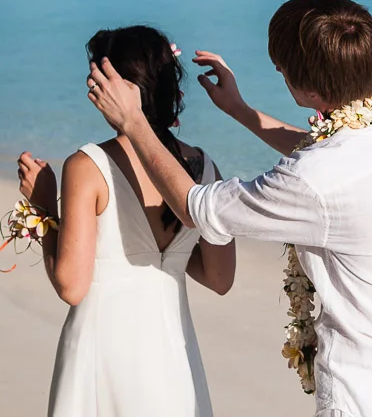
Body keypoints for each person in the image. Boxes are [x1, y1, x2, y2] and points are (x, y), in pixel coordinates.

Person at [85, 0, 372, 417]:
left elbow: (196, 208)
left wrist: (133, 122)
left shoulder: (313, 181)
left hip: (365, 393)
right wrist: (241, 111)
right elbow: (335, 153)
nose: (277, 70)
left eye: (280, 68)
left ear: (311, 89)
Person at [16, 26, 236, 417]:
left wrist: (43, 208)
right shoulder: (205, 169)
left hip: (103, 353)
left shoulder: (87, 166)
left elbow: (71, 285)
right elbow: (219, 279)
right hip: (174, 356)